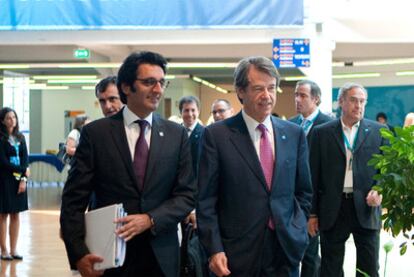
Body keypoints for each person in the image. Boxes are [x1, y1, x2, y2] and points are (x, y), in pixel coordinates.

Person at [60, 51, 196, 277]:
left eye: (162, 82)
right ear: (125, 87)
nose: (158, 90)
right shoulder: (96, 135)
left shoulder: (176, 135)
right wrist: (78, 253)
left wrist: (150, 219)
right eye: (149, 82)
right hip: (109, 256)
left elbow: (187, 195)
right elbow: (73, 200)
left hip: (162, 257)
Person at [197, 56, 312, 277]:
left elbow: (304, 190)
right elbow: (206, 200)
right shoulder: (217, 135)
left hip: (285, 249)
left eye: (271, 88)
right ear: (240, 91)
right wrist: (214, 248)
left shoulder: (294, 133)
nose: (267, 96)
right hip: (235, 254)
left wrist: (297, 229)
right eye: (258, 88)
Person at [309, 83, 385, 277]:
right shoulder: (322, 133)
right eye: (353, 100)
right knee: (330, 267)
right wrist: (312, 214)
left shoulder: (378, 132)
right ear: (341, 102)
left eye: (362, 101)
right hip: (333, 208)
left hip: (366, 208)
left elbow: (385, 171)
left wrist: (380, 189)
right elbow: (313, 175)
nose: (358, 105)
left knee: (369, 268)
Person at [289, 80, 332, 277]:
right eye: (296, 94)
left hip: (315, 200)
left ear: (316, 99)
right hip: (290, 199)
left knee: (310, 254)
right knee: (291, 251)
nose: (297, 99)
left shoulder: (329, 126)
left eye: (303, 95)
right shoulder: (289, 124)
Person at [0, 107, 29, 261]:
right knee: (3, 215)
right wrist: (23, 170)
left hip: (19, 181)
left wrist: (23, 178)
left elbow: (25, 158)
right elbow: (3, 162)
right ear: (2, 121)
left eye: (14, 117)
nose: (12, 120)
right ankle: (3, 250)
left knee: (16, 215)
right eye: (8, 118)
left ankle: (14, 249)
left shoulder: (21, 138)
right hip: (4, 180)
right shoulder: (1, 138)